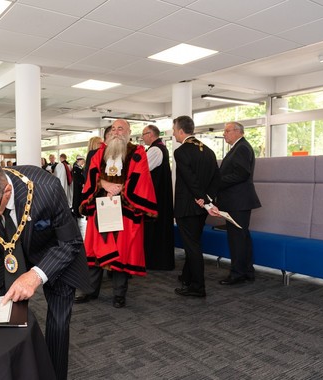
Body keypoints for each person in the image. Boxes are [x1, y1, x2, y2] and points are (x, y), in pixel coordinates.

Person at [0, 159, 92, 380]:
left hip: (55, 255)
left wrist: (36, 275)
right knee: (4, 316)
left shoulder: (47, 188)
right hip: (9, 255)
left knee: (57, 326)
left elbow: (70, 243)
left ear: (6, 192)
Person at [76, 119, 157, 308]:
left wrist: (121, 189)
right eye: (113, 128)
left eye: (121, 128)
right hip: (101, 207)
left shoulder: (137, 153)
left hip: (125, 210)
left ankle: (119, 295)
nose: (116, 132)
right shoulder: (99, 153)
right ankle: (90, 291)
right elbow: (93, 174)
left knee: (121, 253)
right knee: (95, 250)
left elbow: (141, 177)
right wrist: (104, 185)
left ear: (129, 131)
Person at [172, 116, 220, 298]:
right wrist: (208, 200)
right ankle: (187, 276)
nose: (174, 133)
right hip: (201, 207)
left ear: (181, 131)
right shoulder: (208, 151)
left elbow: (190, 180)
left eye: (174, 130)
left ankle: (198, 287)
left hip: (187, 207)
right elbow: (217, 177)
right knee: (194, 243)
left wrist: (202, 198)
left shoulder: (181, 151)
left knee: (192, 247)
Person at [214, 122, 261, 285]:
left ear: (237, 132)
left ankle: (237, 274)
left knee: (237, 239)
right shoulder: (239, 147)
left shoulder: (241, 147)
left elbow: (241, 174)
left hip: (238, 201)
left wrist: (217, 182)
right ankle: (247, 271)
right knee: (241, 237)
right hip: (237, 201)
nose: (224, 134)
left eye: (226, 131)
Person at [141, 124, 175, 270]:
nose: (142, 137)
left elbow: (142, 168)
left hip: (156, 197)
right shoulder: (159, 148)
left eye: (143, 134)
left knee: (155, 229)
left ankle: (155, 260)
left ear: (151, 134)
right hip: (160, 196)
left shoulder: (155, 150)